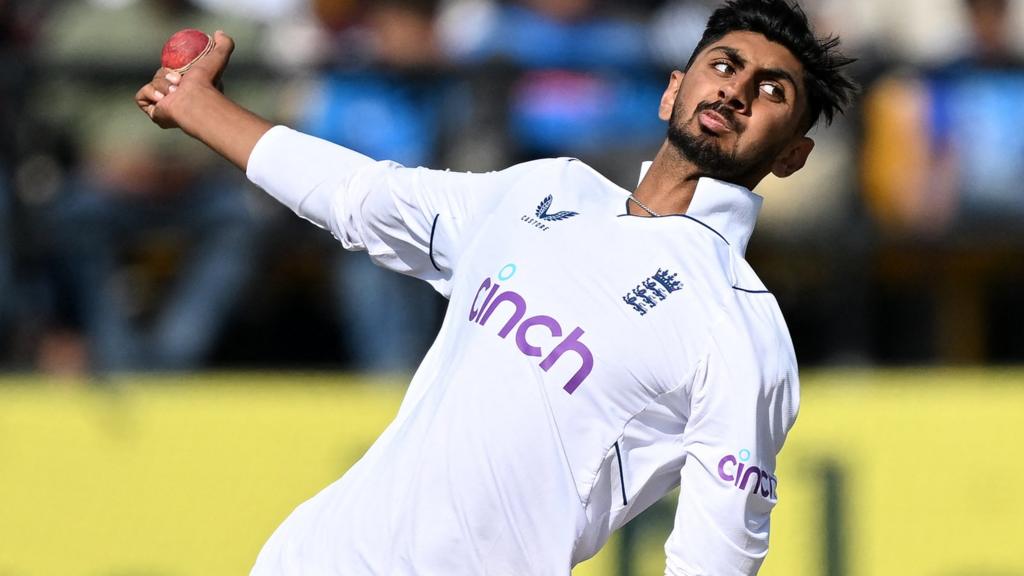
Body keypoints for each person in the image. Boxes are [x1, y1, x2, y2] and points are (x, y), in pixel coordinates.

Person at [135, 0, 856, 573]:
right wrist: (198, 107)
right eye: (723, 64)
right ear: (673, 90)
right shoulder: (546, 189)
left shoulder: (742, 331)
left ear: (793, 155)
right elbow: (360, 196)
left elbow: (714, 563)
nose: (735, 90)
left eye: (771, 90)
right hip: (316, 560)